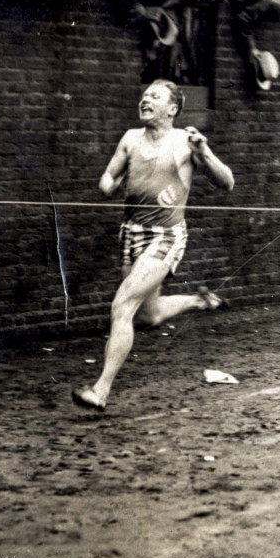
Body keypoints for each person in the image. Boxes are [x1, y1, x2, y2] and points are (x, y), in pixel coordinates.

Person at [73, 80, 234, 412]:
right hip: (131, 235)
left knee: (122, 305)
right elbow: (106, 181)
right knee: (146, 316)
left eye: (155, 96)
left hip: (166, 236)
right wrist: (111, 184)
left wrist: (205, 153)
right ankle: (198, 301)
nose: (145, 99)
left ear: (172, 108)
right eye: (144, 95)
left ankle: (100, 390)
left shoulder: (185, 142)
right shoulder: (130, 139)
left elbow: (227, 182)